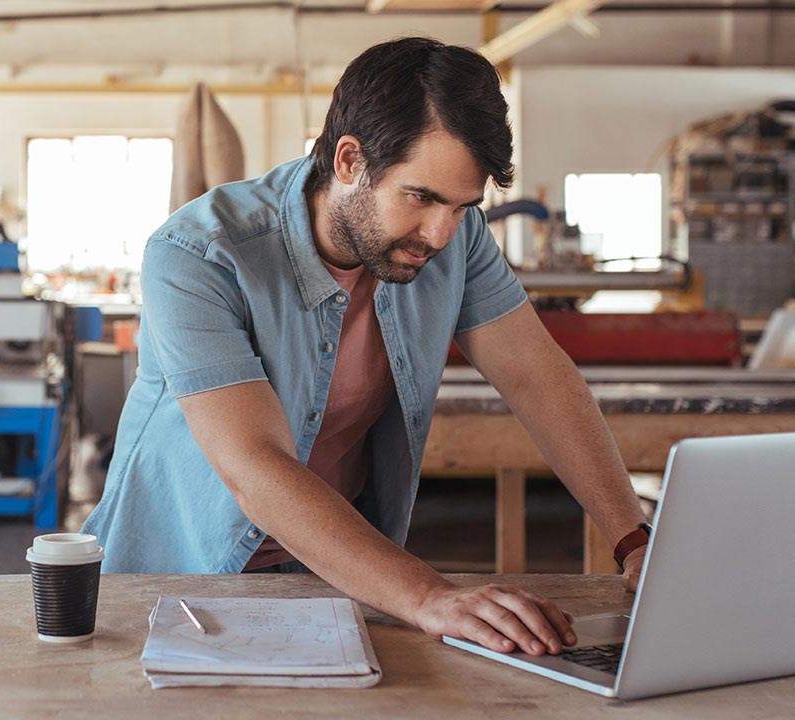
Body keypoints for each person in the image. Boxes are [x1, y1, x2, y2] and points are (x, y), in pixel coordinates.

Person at [82, 37, 649, 658]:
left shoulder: (456, 240)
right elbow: (256, 468)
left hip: (331, 578)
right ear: (350, 160)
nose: (440, 233)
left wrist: (634, 542)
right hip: (175, 582)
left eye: (463, 206)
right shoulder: (198, 254)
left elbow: (539, 378)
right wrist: (428, 596)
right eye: (422, 197)